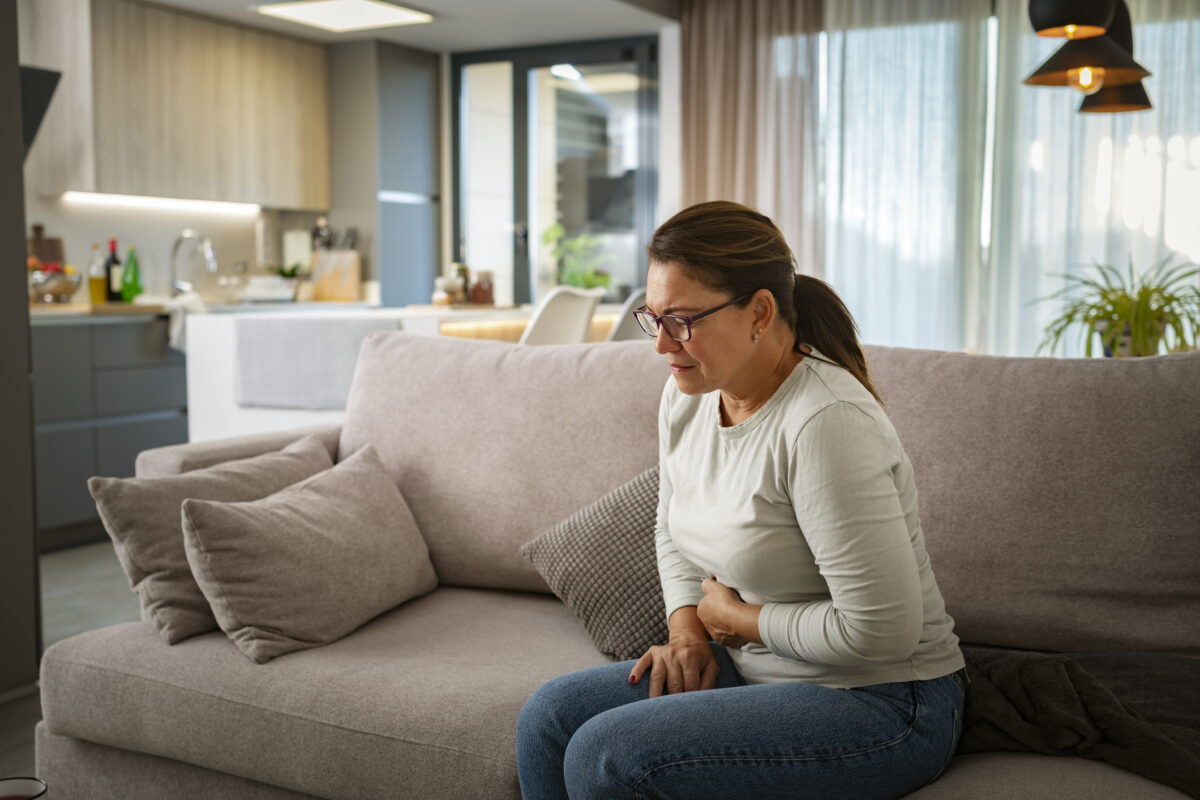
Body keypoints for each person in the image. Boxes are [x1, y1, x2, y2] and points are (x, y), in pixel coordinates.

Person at [516, 201, 966, 800]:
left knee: (608, 756)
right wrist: (688, 633)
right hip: (758, 671)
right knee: (548, 718)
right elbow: (672, 527)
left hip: (882, 698)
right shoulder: (688, 395)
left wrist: (739, 621)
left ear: (759, 311)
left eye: (683, 320)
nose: (662, 346)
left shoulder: (825, 424)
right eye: (654, 319)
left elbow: (880, 631)